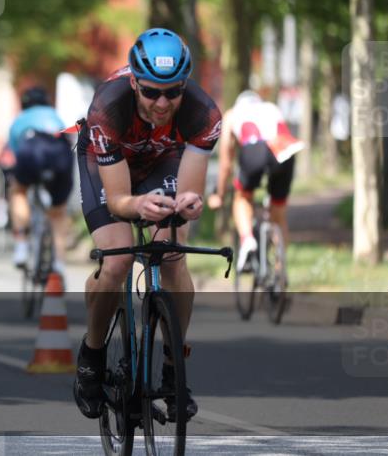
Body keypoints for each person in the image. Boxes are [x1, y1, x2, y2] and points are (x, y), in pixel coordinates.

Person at [73, 28, 222, 422]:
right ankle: (92, 354)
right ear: (134, 82)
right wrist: (137, 204)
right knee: (118, 261)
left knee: (172, 254)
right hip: (107, 164)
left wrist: (188, 205)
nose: (162, 102)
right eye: (152, 92)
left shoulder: (203, 114)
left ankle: (175, 368)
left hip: (161, 161)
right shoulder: (108, 108)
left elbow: (189, 195)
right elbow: (121, 201)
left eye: (172, 92)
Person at [207, 90, 303, 272]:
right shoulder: (271, 107)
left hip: (254, 149)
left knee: (242, 197)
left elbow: (226, 162)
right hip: (284, 150)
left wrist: (219, 194)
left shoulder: (232, 114)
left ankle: (247, 240)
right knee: (278, 212)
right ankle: (280, 270)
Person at [6, 86, 73, 277]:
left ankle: (21, 246)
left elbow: (15, 153)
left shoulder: (20, 119)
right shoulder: (55, 115)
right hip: (60, 153)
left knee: (18, 191)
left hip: (31, 150)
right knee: (58, 213)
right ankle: (59, 264)